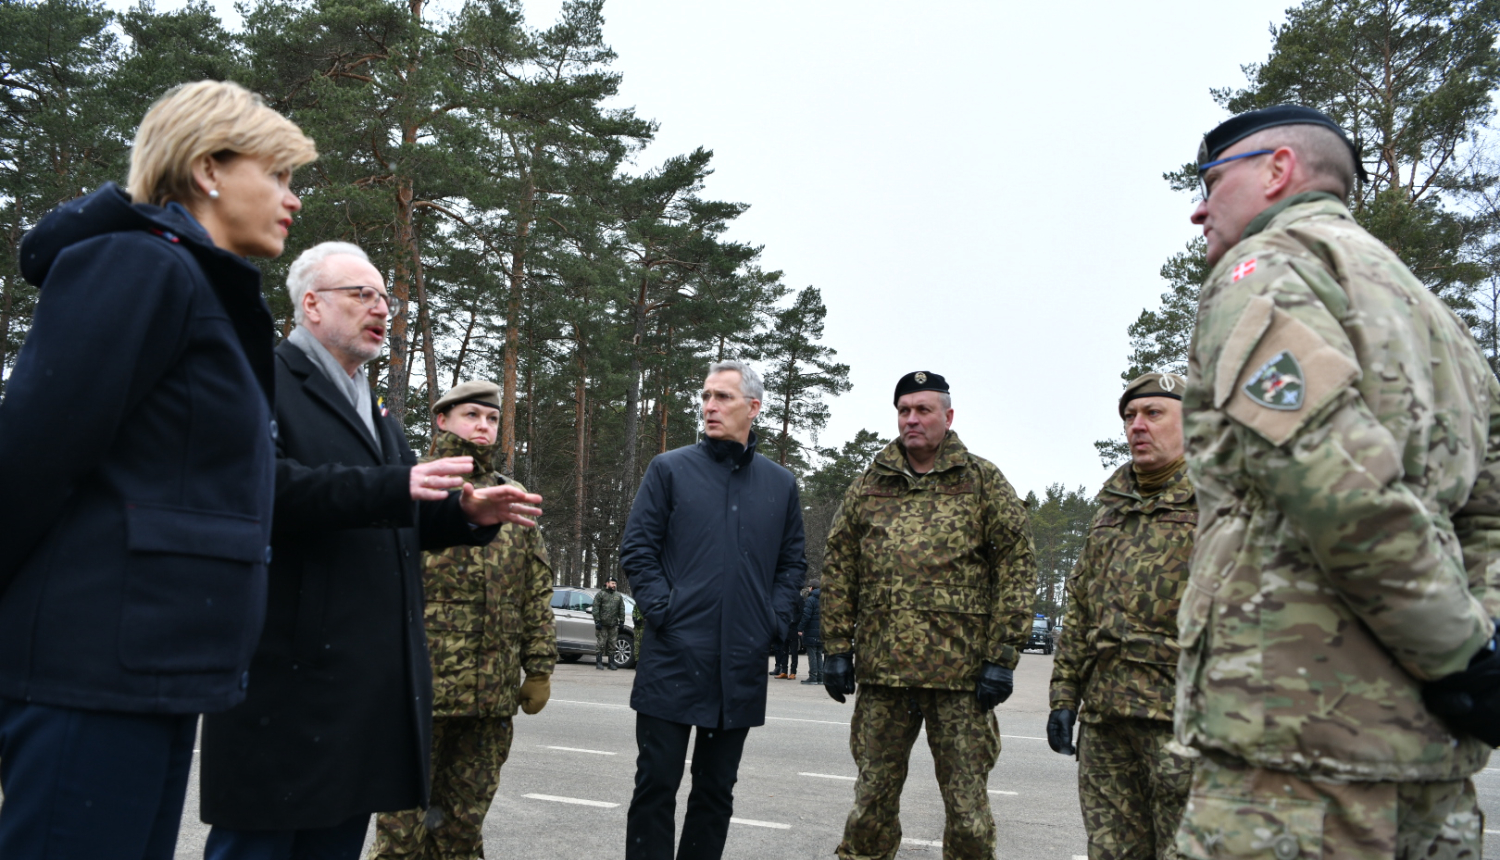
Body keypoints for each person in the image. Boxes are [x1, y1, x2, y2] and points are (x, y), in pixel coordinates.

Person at [0, 80, 315, 860]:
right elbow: (31, 455)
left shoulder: (198, 280)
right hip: (91, 666)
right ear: (209, 167)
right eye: (278, 175)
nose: (293, 199)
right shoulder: (137, 266)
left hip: (156, 669)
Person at [1176, 104, 1500, 859]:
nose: (1198, 209)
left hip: (1295, 761)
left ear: (1277, 169)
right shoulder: (1438, 320)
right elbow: (1489, 517)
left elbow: (1335, 485)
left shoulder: (1267, 271)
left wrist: (1456, 651)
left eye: (1210, 180)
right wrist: (1480, 665)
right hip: (1431, 761)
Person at [199, 242, 543, 860]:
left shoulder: (372, 406)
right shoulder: (264, 378)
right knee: (261, 846)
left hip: (359, 693)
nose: (381, 307)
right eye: (362, 294)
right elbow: (258, 487)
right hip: (289, 683)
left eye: (387, 296)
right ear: (311, 305)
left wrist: (462, 513)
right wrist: (392, 487)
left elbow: (398, 510)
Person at [821, 371, 1037, 860]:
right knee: (870, 805)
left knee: (967, 812)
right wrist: (835, 648)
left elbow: (1017, 567)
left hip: (961, 678)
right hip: (883, 675)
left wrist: (1003, 655)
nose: (912, 419)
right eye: (904, 410)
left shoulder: (981, 481)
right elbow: (840, 567)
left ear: (948, 416)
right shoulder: (870, 484)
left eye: (923, 410)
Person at [619, 359, 806, 860]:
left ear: (754, 407)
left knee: (715, 793)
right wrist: (666, 611)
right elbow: (638, 550)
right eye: (705, 396)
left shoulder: (780, 485)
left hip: (739, 664)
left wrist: (772, 621)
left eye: (722, 397)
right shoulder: (670, 470)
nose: (709, 406)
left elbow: (792, 565)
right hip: (673, 657)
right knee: (655, 785)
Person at [369, 381, 557, 860]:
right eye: (472, 415)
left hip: (488, 699)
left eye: (492, 419)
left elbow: (534, 590)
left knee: (462, 836)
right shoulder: (414, 486)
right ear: (441, 420)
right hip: (416, 695)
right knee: (400, 841)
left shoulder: (511, 498)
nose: (483, 426)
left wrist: (539, 667)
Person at [1046, 373, 1197, 860]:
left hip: (1185, 721)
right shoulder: (1110, 509)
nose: (1138, 425)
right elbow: (1082, 604)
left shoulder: (1223, 503)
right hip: (1107, 721)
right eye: (1130, 416)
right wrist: (1064, 696)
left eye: (1154, 414)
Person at [592, 577, 626, 670]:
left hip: (613, 624)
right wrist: (597, 621)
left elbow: (621, 609)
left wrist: (622, 621)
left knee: (612, 644)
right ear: (607, 583)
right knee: (601, 643)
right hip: (602, 624)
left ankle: (611, 663)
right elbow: (595, 608)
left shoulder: (618, 596)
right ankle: (599, 662)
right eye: (612, 583)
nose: (614, 585)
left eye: (615, 584)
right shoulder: (600, 595)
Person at [799, 585, 824, 685]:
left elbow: (806, 615)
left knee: (812, 655)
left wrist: (800, 628)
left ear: (812, 588)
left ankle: (813, 677)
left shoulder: (810, 599)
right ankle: (820, 677)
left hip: (811, 632)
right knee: (819, 655)